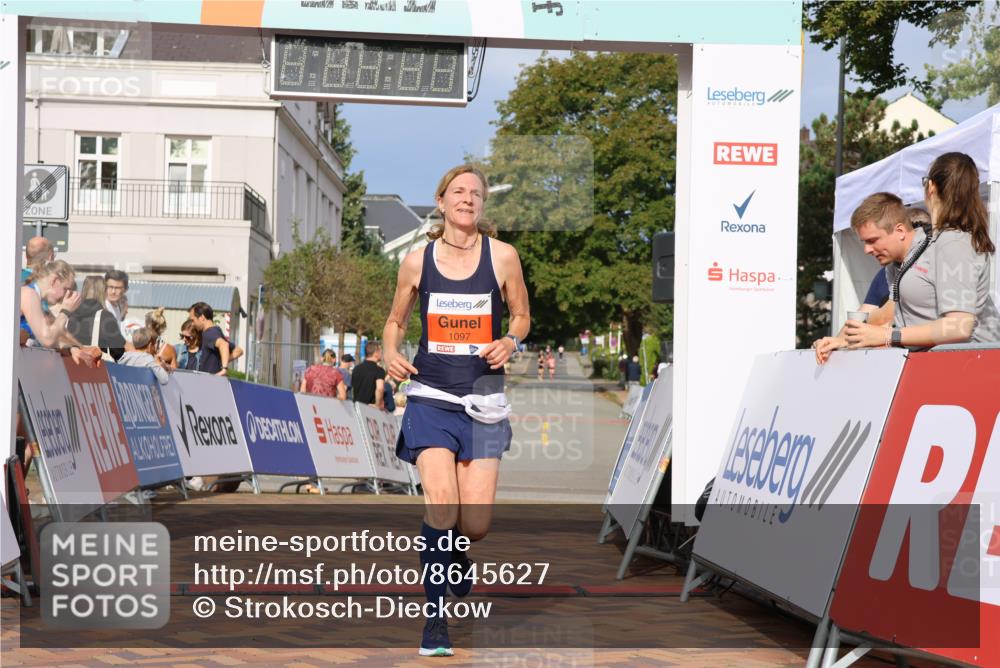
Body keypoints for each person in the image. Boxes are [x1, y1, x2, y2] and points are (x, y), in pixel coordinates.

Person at [382, 165, 530, 656]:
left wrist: (510, 340)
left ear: (483, 205)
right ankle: (435, 621)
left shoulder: (504, 257)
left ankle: (458, 552)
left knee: (476, 524)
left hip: (485, 400)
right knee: (441, 504)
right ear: (441, 202)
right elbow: (395, 321)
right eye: (459, 192)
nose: (468, 199)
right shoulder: (416, 261)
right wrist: (389, 352)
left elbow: (522, 316)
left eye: (476, 193)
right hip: (431, 396)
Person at [844, 153, 1000, 351]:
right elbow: (891, 312)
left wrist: (887, 336)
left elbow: (958, 327)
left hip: (968, 368)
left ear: (931, 187)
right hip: (947, 365)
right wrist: (845, 340)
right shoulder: (936, 240)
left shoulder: (953, 242)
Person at [813, 194, 919, 363]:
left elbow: (884, 316)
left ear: (900, 231)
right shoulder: (892, 268)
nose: (867, 250)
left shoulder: (926, 260)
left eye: (872, 240)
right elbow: (869, 315)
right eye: (864, 242)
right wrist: (837, 342)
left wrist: (844, 340)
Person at [66, 275, 127, 361]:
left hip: (73, 367)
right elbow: (118, 352)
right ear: (103, 291)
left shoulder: (71, 314)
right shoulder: (105, 316)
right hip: (96, 368)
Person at [188, 302, 230, 375]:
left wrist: (224, 369)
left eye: (193, 320)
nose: (192, 324)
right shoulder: (216, 331)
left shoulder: (210, 333)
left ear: (202, 318)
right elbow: (237, 350)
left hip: (210, 381)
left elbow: (224, 345)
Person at [351, 343, 386, 408]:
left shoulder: (356, 369)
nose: (381, 354)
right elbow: (380, 389)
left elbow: (353, 388)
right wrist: (377, 405)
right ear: (376, 353)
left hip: (356, 407)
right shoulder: (379, 370)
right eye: (381, 352)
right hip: (370, 409)